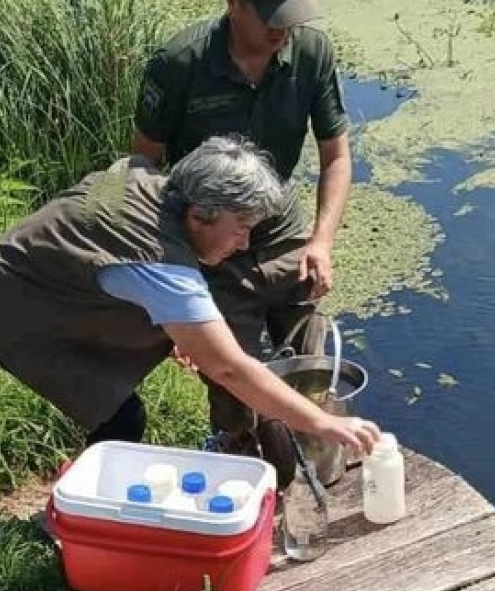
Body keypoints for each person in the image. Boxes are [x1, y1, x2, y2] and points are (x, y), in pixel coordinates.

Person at [0, 136, 379, 461]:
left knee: (136, 382)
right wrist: (323, 423)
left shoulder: (152, 183)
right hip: (11, 310)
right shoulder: (161, 265)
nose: (245, 242)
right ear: (199, 214)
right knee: (122, 421)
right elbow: (230, 370)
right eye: (240, 227)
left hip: (39, 280)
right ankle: (92, 520)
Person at [131, 0, 352, 462]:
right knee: (231, 371)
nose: (283, 32)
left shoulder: (312, 53)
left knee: (310, 349)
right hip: (212, 238)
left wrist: (321, 242)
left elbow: (336, 156)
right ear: (235, 5)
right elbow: (143, 167)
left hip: (280, 225)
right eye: (273, 19)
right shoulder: (179, 63)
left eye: (293, 20)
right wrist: (173, 278)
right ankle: (240, 458)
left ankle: (312, 452)